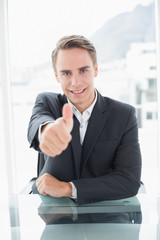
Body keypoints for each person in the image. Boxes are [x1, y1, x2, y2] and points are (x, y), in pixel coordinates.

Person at [27, 35, 142, 205]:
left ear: (95, 69)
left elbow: (129, 180)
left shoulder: (124, 115)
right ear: (57, 76)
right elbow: (38, 122)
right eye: (66, 73)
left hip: (107, 216)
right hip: (55, 216)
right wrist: (46, 131)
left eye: (83, 70)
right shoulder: (47, 102)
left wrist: (68, 188)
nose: (76, 82)